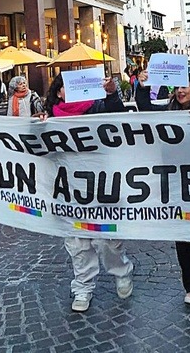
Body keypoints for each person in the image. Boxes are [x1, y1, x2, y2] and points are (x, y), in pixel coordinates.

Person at [135, 70, 190, 318]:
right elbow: (144, 109)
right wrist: (142, 87)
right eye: (177, 88)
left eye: (185, 87)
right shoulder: (168, 111)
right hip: (175, 184)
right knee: (183, 239)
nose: (181, 91)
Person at [43, 74, 133, 313]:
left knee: (108, 239)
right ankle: (82, 287)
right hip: (69, 189)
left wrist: (112, 93)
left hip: (102, 185)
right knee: (77, 242)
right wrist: (38, 125)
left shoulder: (98, 106)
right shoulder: (50, 116)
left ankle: (121, 272)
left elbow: (117, 115)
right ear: (59, 92)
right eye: (66, 87)